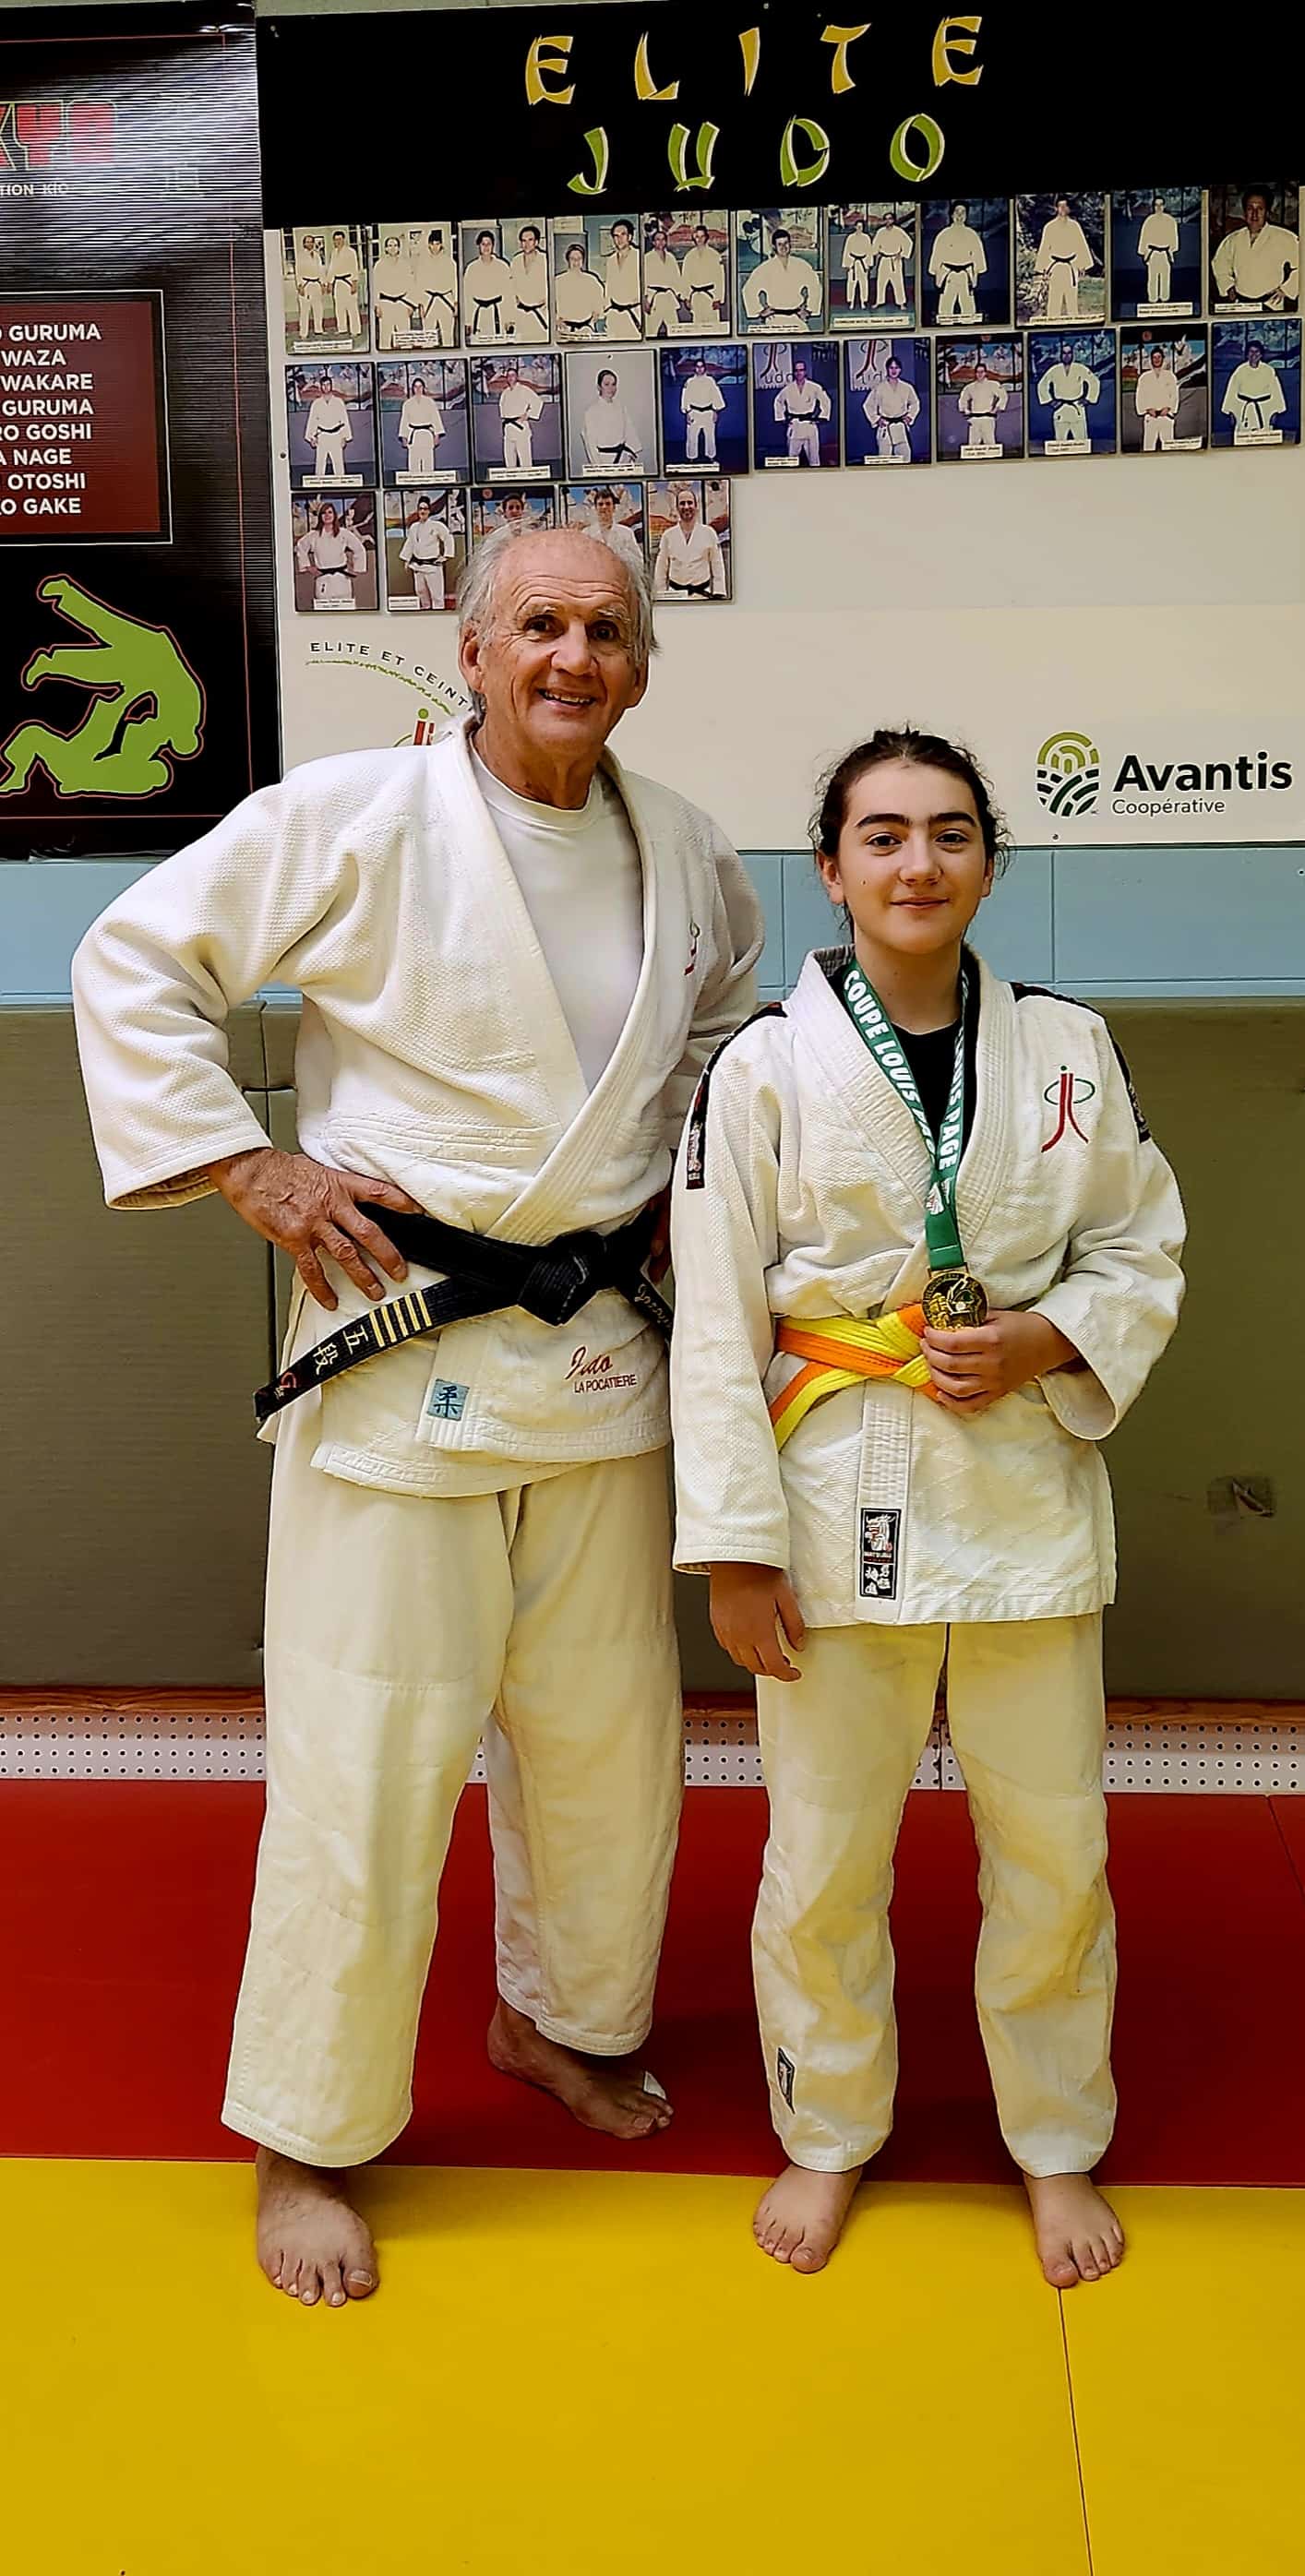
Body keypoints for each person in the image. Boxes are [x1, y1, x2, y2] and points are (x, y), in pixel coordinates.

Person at [71, 523, 762, 2309]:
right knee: (364, 1763)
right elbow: (135, 959)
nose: (572, 656)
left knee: (608, 1749)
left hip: (600, 1365)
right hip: (402, 1358)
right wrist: (249, 1163)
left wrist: (692, 1187)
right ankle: (306, 2135)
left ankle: (561, 2021)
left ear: (639, 663)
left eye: (604, 628)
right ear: (471, 651)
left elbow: (721, 1037)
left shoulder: (687, 848)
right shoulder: (357, 816)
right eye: (537, 624)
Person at [668, 727, 1185, 2282]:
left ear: (988, 863)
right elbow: (712, 1316)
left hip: (1019, 1474)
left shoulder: (1069, 1049)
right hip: (836, 1486)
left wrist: (1044, 1337)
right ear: (829, 871)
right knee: (823, 1851)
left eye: (949, 833)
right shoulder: (763, 1064)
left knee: (1054, 1845)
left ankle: (1055, 2141)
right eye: (881, 836)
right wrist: (734, 1550)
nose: (917, 862)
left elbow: (1139, 1247)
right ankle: (827, 2130)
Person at [1212, 189, 1299, 310]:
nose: (1255, 214)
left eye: (1260, 209)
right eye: (1250, 208)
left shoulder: (1284, 237)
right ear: (1244, 212)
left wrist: (1287, 290)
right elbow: (1219, 264)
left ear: (1267, 212)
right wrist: (1228, 286)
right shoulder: (1233, 239)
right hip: (1240, 304)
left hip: (1271, 304)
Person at [653, 482, 725, 599]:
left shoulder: (709, 533)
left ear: (696, 506)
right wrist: (660, 594)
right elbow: (661, 569)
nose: (686, 507)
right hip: (675, 594)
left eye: (690, 503)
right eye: (682, 503)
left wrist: (719, 592)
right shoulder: (668, 535)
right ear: (677, 508)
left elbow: (717, 566)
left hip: (702, 594)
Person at [1035, 196, 1096, 322]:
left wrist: (1082, 265)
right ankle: (1052, 324)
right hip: (1055, 266)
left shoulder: (1075, 226)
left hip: (1071, 266)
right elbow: (1045, 247)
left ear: (1069, 208)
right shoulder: (1049, 227)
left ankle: (1073, 323)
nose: (1062, 208)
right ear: (1056, 208)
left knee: (1072, 301)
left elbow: (1081, 245)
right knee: (1054, 301)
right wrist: (1043, 268)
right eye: (1060, 206)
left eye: (1065, 206)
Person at [295, 501, 368, 608]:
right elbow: (301, 546)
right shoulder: (314, 535)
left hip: (341, 579)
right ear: (320, 517)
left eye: (330, 512)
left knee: (346, 611)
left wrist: (357, 568)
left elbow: (359, 549)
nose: (327, 515)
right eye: (324, 513)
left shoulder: (343, 533)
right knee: (324, 612)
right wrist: (307, 567)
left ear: (334, 515)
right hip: (323, 579)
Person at [746, 230, 823, 329]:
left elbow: (815, 286)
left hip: (797, 317)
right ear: (774, 246)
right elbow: (748, 290)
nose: (783, 247)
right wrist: (760, 311)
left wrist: (809, 310)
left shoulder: (801, 265)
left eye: (786, 243)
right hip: (774, 318)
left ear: (790, 244)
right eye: (780, 244)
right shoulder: (765, 268)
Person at [929, 203, 987, 324]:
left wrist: (977, 271)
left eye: (963, 213)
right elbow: (937, 255)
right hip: (948, 273)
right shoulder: (943, 234)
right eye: (957, 212)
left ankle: (968, 328)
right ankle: (945, 329)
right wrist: (936, 272)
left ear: (966, 216)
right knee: (945, 305)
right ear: (951, 215)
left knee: (968, 306)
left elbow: (978, 255)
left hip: (966, 273)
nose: (960, 216)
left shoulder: (972, 234)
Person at [772, 356, 833, 467]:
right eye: (796, 370)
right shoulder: (788, 389)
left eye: (801, 370)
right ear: (794, 373)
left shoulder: (814, 387)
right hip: (795, 425)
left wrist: (822, 416)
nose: (799, 373)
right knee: (792, 457)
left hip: (809, 424)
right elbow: (778, 401)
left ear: (805, 372)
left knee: (814, 458)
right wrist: (781, 418)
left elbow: (826, 400)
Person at [581, 367, 644, 473]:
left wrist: (629, 455)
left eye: (613, 384)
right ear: (599, 387)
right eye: (606, 384)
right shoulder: (591, 411)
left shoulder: (621, 408)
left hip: (624, 459)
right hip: (603, 460)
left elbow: (629, 432)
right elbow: (590, 443)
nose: (611, 388)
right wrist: (600, 468)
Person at [1036, 340, 1100, 445]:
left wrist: (1088, 399)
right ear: (1060, 355)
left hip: (1077, 407)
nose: (1067, 356)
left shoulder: (1080, 368)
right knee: (1060, 441)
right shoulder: (1054, 370)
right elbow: (1042, 384)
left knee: (1081, 440)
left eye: (1069, 353)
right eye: (1064, 353)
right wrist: (1050, 401)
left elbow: (1094, 381)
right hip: (1061, 409)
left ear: (1072, 355)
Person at [398, 495, 455, 610]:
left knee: (436, 595)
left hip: (432, 566)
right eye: (420, 509)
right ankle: (425, 611)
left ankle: (438, 614)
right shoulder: (414, 527)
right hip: (418, 566)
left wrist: (446, 556)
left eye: (425, 509)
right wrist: (407, 559)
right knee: (421, 592)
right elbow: (410, 543)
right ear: (418, 510)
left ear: (429, 511)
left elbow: (448, 537)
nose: (423, 511)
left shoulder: (436, 526)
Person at [1221, 340, 1287, 436]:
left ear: (1261, 354)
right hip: (1244, 409)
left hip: (1265, 409)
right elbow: (1231, 391)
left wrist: (1276, 412)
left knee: (1264, 435)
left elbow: (1276, 391)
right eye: (1251, 352)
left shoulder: (1269, 370)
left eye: (1257, 352)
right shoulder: (1240, 370)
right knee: (1243, 435)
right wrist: (1231, 412)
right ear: (1247, 354)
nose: (1254, 355)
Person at [862, 353, 921, 462]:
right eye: (891, 368)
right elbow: (868, 405)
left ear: (900, 370)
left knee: (905, 457)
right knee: (884, 458)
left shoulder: (907, 387)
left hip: (900, 426)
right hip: (885, 426)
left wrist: (910, 416)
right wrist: (877, 419)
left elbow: (915, 403)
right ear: (887, 369)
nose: (894, 371)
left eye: (896, 368)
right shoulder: (879, 388)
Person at [495, 363, 547, 474]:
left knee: (525, 459)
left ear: (517, 377)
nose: (510, 378)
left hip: (520, 427)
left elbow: (538, 402)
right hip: (508, 429)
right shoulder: (505, 393)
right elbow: (503, 411)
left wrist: (528, 414)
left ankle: (528, 478)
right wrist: (505, 421)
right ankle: (511, 478)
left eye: (513, 375)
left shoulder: (524, 390)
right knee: (509, 459)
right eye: (508, 376)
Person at [463, 231, 512, 347]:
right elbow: (467, 295)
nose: (486, 247)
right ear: (479, 246)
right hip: (478, 313)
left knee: (498, 346)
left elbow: (509, 293)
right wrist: (467, 321)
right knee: (478, 346)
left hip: (498, 312)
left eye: (488, 244)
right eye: (483, 244)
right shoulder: (471, 268)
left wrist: (509, 319)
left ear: (493, 245)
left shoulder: (502, 266)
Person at [413, 228, 460, 345]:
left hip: (446, 300)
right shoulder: (422, 263)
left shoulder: (450, 262)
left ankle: (450, 356)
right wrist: (420, 305)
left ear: (441, 245)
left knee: (448, 336)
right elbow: (419, 285)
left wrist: (456, 302)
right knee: (428, 336)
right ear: (429, 245)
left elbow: (454, 283)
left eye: (437, 244)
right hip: (428, 301)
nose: (435, 247)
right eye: (432, 244)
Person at [304, 375, 353, 482]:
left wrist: (345, 437)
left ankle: (341, 486)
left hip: (336, 436)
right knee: (320, 464)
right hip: (322, 436)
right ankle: (318, 488)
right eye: (324, 385)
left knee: (338, 464)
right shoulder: (316, 403)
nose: (326, 387)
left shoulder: (339, 402)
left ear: (331, 386)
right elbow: (312, 421)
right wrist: (312, 437)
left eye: (328, 384)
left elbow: (344, 419)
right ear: (321, 387)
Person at [555, 239, 607, 340]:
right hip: (564, 330)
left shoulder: (591, 280)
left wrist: (595, 315)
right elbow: (549, 305)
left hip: (586, 329)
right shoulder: (558, 281)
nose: (576, 262)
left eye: (579, 258)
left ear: (583, 260)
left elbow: (599, 304)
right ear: (568, 260)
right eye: (572, 259)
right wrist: (556, 319)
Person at [509, 224, 551, 342]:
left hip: (541, 314)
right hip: (521, 315)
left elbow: (552, 287)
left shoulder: (545, 260)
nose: (526, 244)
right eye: (523, 240)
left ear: (536, 242)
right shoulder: (516, 261)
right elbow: (511, 287)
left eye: (530, 240)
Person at [680, 356, 726, 465]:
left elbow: (716, 396)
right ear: (695, 368)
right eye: (698, 366)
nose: (700, 369)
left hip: (708, 412)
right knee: (691, 437)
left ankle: (711, 456)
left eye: (702, 367)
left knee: (710, 436)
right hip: (694, 412)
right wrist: (687, 412)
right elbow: (685, 397)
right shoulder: (689, 382)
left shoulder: (710, 381)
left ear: (705, 368)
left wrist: (715, 411)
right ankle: (691, 457)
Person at [372, 231, 414, 347]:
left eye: (395, 245)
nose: (392, 248)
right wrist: (377, 306)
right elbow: (376, 286)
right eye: (390, 245)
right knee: (385, 337)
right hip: (386, 304)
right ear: (386, 248)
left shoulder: (405, 265)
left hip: (402, 303)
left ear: (399, 248)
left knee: (405, 337)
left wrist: (411, 304)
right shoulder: (379, 265)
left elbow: (411, 285)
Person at [398, 376, 446, 480]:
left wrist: (437, 435)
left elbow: (436, 419)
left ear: (424, 388)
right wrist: (404, 437)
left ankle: (428, 483)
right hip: (413, 435)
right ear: (413, 389)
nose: (418, 389)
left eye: (420, 387)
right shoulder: (407, 404)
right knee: (413, 463)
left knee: (428, 462)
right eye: (416, 387)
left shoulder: (430, 402)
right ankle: (414, 485)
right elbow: (404, 421)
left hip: (427, 435)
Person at [1134, 342, 1180, 449]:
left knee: (1168, 446)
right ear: (1151, 360)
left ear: (1163, 359)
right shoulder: (1144, 378)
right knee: (1149, 446)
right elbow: (1140, 396)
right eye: (1154, 357)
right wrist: (1147, 409)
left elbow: (1174, 395)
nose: (1157, 360)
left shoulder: (1170, 376)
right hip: (1151, 416)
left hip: (1166, 415)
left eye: (1159, 357)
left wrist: (1168, 408)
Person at [585, 485, 645, 567]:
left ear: (614, 508)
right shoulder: (587, 534)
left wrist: (621, 556)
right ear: (595, 508)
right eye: (600, 504)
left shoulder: (626, 533)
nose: (604, 507)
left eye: (608, 504)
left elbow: (639, 563)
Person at [603, 220, 644, 340]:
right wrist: (607, 310)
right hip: (614, 314)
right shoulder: (611, 260)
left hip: (634, 312)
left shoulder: (639, 256)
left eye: (623, 234)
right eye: (616, 236)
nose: (619, 239)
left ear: (630, 237)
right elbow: (609, 287)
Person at [645, 222, 687, 339]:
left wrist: (681, 294)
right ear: (653, 242)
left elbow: (676, 278)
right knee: (651, 331)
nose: (661, 242)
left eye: (663, 239)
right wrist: (644, 299)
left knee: (674, 329)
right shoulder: (647, 258)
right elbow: (642, 280)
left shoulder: (671, 258)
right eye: (658, 240)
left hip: (669, 297)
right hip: (654, 298)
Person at [957, 358, 1007, 454]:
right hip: (975, 418)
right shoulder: (970, 387)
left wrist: (996, 409)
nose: (980, 374)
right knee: (973, 445)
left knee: (990, 443)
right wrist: (966, 409)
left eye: (982, 372)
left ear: (985, 373)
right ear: (975, 373)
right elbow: (963, 399)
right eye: (978, 372)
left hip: (988, 418)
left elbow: (1003, 396)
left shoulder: (993, 385)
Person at [681, 222, 727, 328]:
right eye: (697, 236)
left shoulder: (714, 255)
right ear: (694, 238)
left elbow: (720, 278)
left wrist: (718, 299)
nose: (700, 239)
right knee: (697, 325)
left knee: (713, 326)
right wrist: (687, 298)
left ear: (706, 237)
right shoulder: (689, 256)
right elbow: (685, 278)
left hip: (710, 295)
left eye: (702, 236)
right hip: (696, 296)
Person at [1137, 196, 1179, 306]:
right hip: (1153, 252)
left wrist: (1172, 250)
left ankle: (1165, 298)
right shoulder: (1149, 221)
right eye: (1156, 205)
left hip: (1165, 252)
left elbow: (1174, 237)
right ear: (1154, 207)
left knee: (1165, 277)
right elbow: (1144, 237)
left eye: (1161, 205)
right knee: (1152, 277)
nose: (1159, 207)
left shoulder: (1170, 221)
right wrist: (1144, 252)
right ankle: (1152, 299)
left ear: (1164, 206)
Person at [871, 212, 916, 313]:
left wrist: (902, 254)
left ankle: (901, 303)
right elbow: (875, 245)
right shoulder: (880, 232)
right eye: (886, 219)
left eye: (890, 219)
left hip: (895, 260)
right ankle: (879, 301)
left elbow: (908, 243)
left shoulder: (899, 231)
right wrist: (876, 253)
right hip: (884, 259)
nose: (888, 221)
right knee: (881, 282)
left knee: (898, 281)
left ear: (893, 220)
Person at [325, 232, 363, 339]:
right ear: (333, 241)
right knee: (339, 307)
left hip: (348, 281)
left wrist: (354, 283)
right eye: (336, 240)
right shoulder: (334, 253)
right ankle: (342, 328)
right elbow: (332, 269)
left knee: (352, 307)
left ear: (344, 240)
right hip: (338, 282)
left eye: (340, 239)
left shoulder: (351, 252)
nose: (338, 242)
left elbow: (354, 268)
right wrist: (329, 283)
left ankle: (355, 330)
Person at [294, 233, 326, 340]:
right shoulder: (300, 256)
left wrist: (323, 284)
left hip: (316, 284)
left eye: (311, 242)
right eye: (307, 242)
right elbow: (298, 272)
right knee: (305, 310)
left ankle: (319, 330)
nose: (310, 244)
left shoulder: (317, 255)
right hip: (305, 284)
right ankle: (303, 333)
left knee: (318, 308)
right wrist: (300, 286)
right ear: (304, 244)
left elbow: (321, 270)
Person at [841, 216, 874, 311]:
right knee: (851, 283)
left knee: (863, 283)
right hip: (853, 262)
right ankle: (851, 302)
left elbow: (869, 251)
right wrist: (847, 264)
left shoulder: (866, 238)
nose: (859, 228)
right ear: (855, 227)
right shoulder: (850, 238)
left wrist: (869, 264)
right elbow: (847, 251)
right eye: (858, 227)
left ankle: (863, 301)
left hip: (863, 262)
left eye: (861, 227)